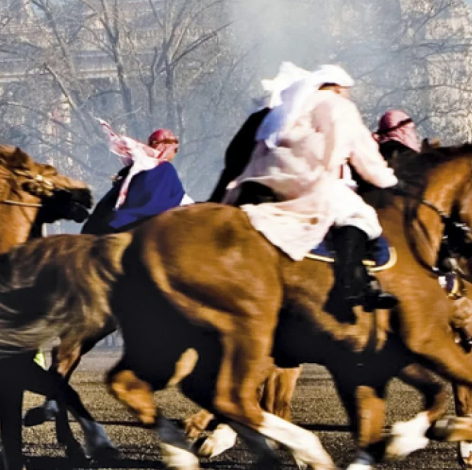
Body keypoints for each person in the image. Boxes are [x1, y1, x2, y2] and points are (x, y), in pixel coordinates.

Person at [226, 63, 399, 312]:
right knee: (361, 216)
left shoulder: (292, 107)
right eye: (347, 91)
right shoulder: (335, 104)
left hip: (270, 179)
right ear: (338, 87)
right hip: (308, 179)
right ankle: (351, 283)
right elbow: (363, 153)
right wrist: (390, 181)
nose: (349, 96)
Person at [85, 126, 189, 234]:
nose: (174, 154)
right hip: (139, 224)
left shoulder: (134, 168)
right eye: (174, 149)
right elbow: (174, 199)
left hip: (111, 223)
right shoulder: (165, 169)